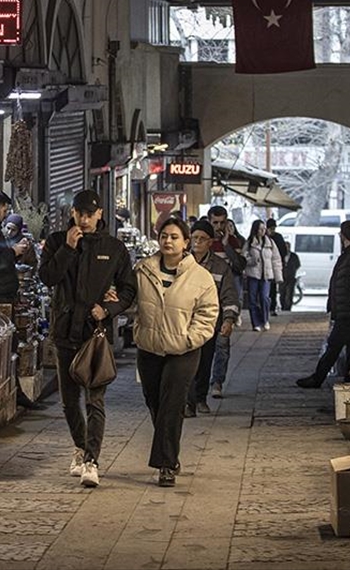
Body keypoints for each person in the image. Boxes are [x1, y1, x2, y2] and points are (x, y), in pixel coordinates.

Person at [39, 189, 136, 488]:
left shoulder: (114, 248)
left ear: (99, 215)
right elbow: (47, 277)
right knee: (69, 402)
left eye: (89, 214)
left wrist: (107, 309)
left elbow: (129, 290)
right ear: (72, 214)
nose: (83, 219)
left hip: (95, 335)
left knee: (95, 399)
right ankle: (80, 448)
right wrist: (68, 248)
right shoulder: (57, 241)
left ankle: (92, 460)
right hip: (65, 332)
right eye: (78, 213)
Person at [133, 217, 220, 487]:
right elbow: (130, 301)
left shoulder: (201, 278)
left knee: (172, 404)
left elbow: (208, 314)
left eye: (174, 237)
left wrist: (189, 339)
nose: (167, 241)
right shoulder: (143, 270)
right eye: (164, 236)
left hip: (183, 351)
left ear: (185, 243)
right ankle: (169, 453)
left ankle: (166, 464)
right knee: (155, 402)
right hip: (149, 348)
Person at [296, 220, 350, 388]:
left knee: (335, 345)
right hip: (347, 309)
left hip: (349, 310)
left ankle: (319, 378)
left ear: (343, 235)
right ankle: (348, 377)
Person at [186, 220, 241, 415]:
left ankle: (200, 399)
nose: (198, 242)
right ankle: (188, 403)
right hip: (183, 324)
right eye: (195, 238)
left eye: (202, 239)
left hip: (208, 325)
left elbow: (229, 295)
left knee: (204, 362)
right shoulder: (181, 262)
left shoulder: (220, 266)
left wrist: (228, 320)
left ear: (210, 242)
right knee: (184, 365)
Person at [243, 220, 284, 332]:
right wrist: (251, 260)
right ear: (255, 229)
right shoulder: (250, 242)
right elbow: (244, 256)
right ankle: (255, 322)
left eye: (264, 229)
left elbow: (276, 259)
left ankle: (265, 320)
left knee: (265, 298)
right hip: (253, 274)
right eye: (260, 229)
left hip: (266, 275)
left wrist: (278, 276)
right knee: (252, 299)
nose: (263, 231)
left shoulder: (270, 243)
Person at [265, 218, 289, 316]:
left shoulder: (278, 237)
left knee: (273, 289)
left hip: (274, 266)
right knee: (266, 289)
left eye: (273, 228)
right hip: (266, 266)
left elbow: (283, 252)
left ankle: (272, 308)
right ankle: (267, 308)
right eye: (271, 228)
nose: (272, 230)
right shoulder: (264, 237)